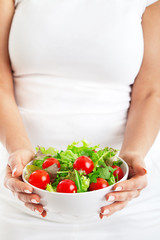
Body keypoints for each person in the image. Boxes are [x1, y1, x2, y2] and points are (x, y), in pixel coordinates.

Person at [0, 0, 160, 239]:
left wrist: (133, 157)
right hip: (27, 194)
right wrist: (19, 151)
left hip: (123, 197)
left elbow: (150, 91)